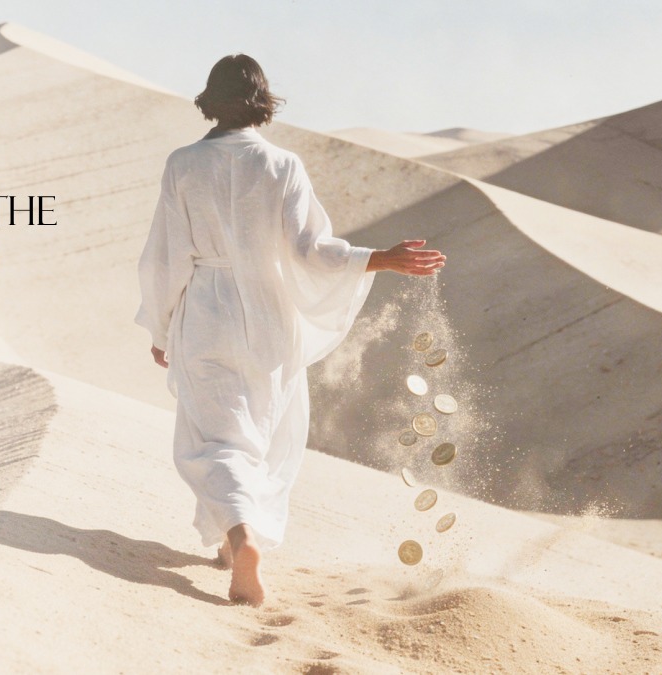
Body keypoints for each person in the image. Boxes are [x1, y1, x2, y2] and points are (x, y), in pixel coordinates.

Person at [135, 54, 445, 606]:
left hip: (206, 311)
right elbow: (312, 251)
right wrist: (381, 258)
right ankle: (235, 547)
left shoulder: (183, 164)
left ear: (211, 99)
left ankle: (240, 537)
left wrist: (161, 327)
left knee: (214, 440)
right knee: (262, 433)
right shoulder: (283, 165)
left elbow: (165, 257)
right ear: (262, 102)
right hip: (270, 316)